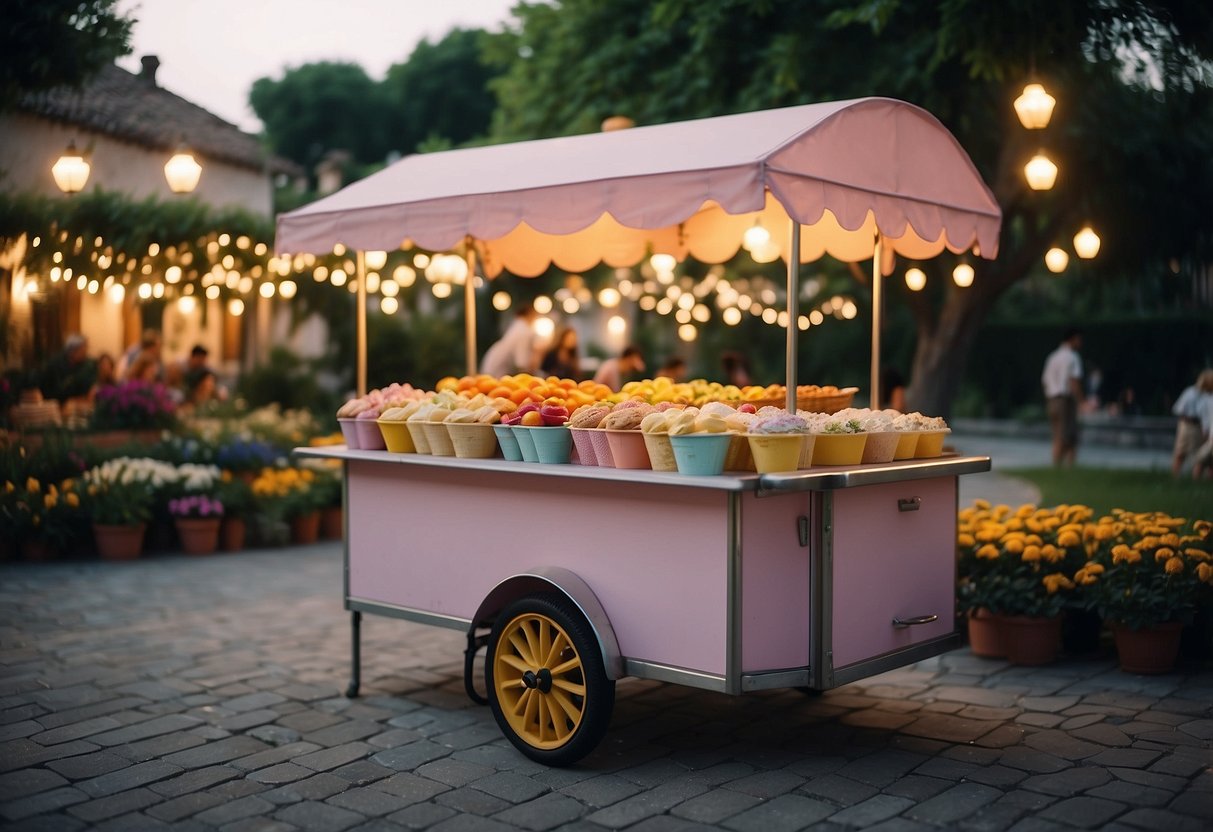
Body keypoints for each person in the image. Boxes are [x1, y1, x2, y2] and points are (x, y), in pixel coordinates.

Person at [1041, 328, 1083, 467]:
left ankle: (1060, 465)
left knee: (1058, 435)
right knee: (1068, 435)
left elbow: (1045, 380)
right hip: (1065, 400)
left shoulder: (1052, 357)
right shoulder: (1072, 357)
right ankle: (1062, 466)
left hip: (1052, 399)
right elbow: (1073, 381)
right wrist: (1082, 401)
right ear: (1073, 339)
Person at [481, 302, 539, 377]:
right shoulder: (524, 331)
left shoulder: (517, 327)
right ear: (530, 314)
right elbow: (522, 365)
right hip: (497, 375)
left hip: (490, 369)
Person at [1174, 369, 1213, 476]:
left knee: (1199, 457)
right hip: (1189, 425)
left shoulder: (1208, 397)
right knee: (1183, 453)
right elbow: (1179, 409)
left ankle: (1196, 479)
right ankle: (1178, 477)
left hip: (1200, 427)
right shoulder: (1191, 392)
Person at [41, 333, 96, 402]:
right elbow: (53, 390)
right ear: (72, 350)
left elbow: (88, 386)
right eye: (83, 349)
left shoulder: (87, 364)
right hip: (54, 404)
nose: (85, 352)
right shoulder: (55, 364)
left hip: (78, 405)